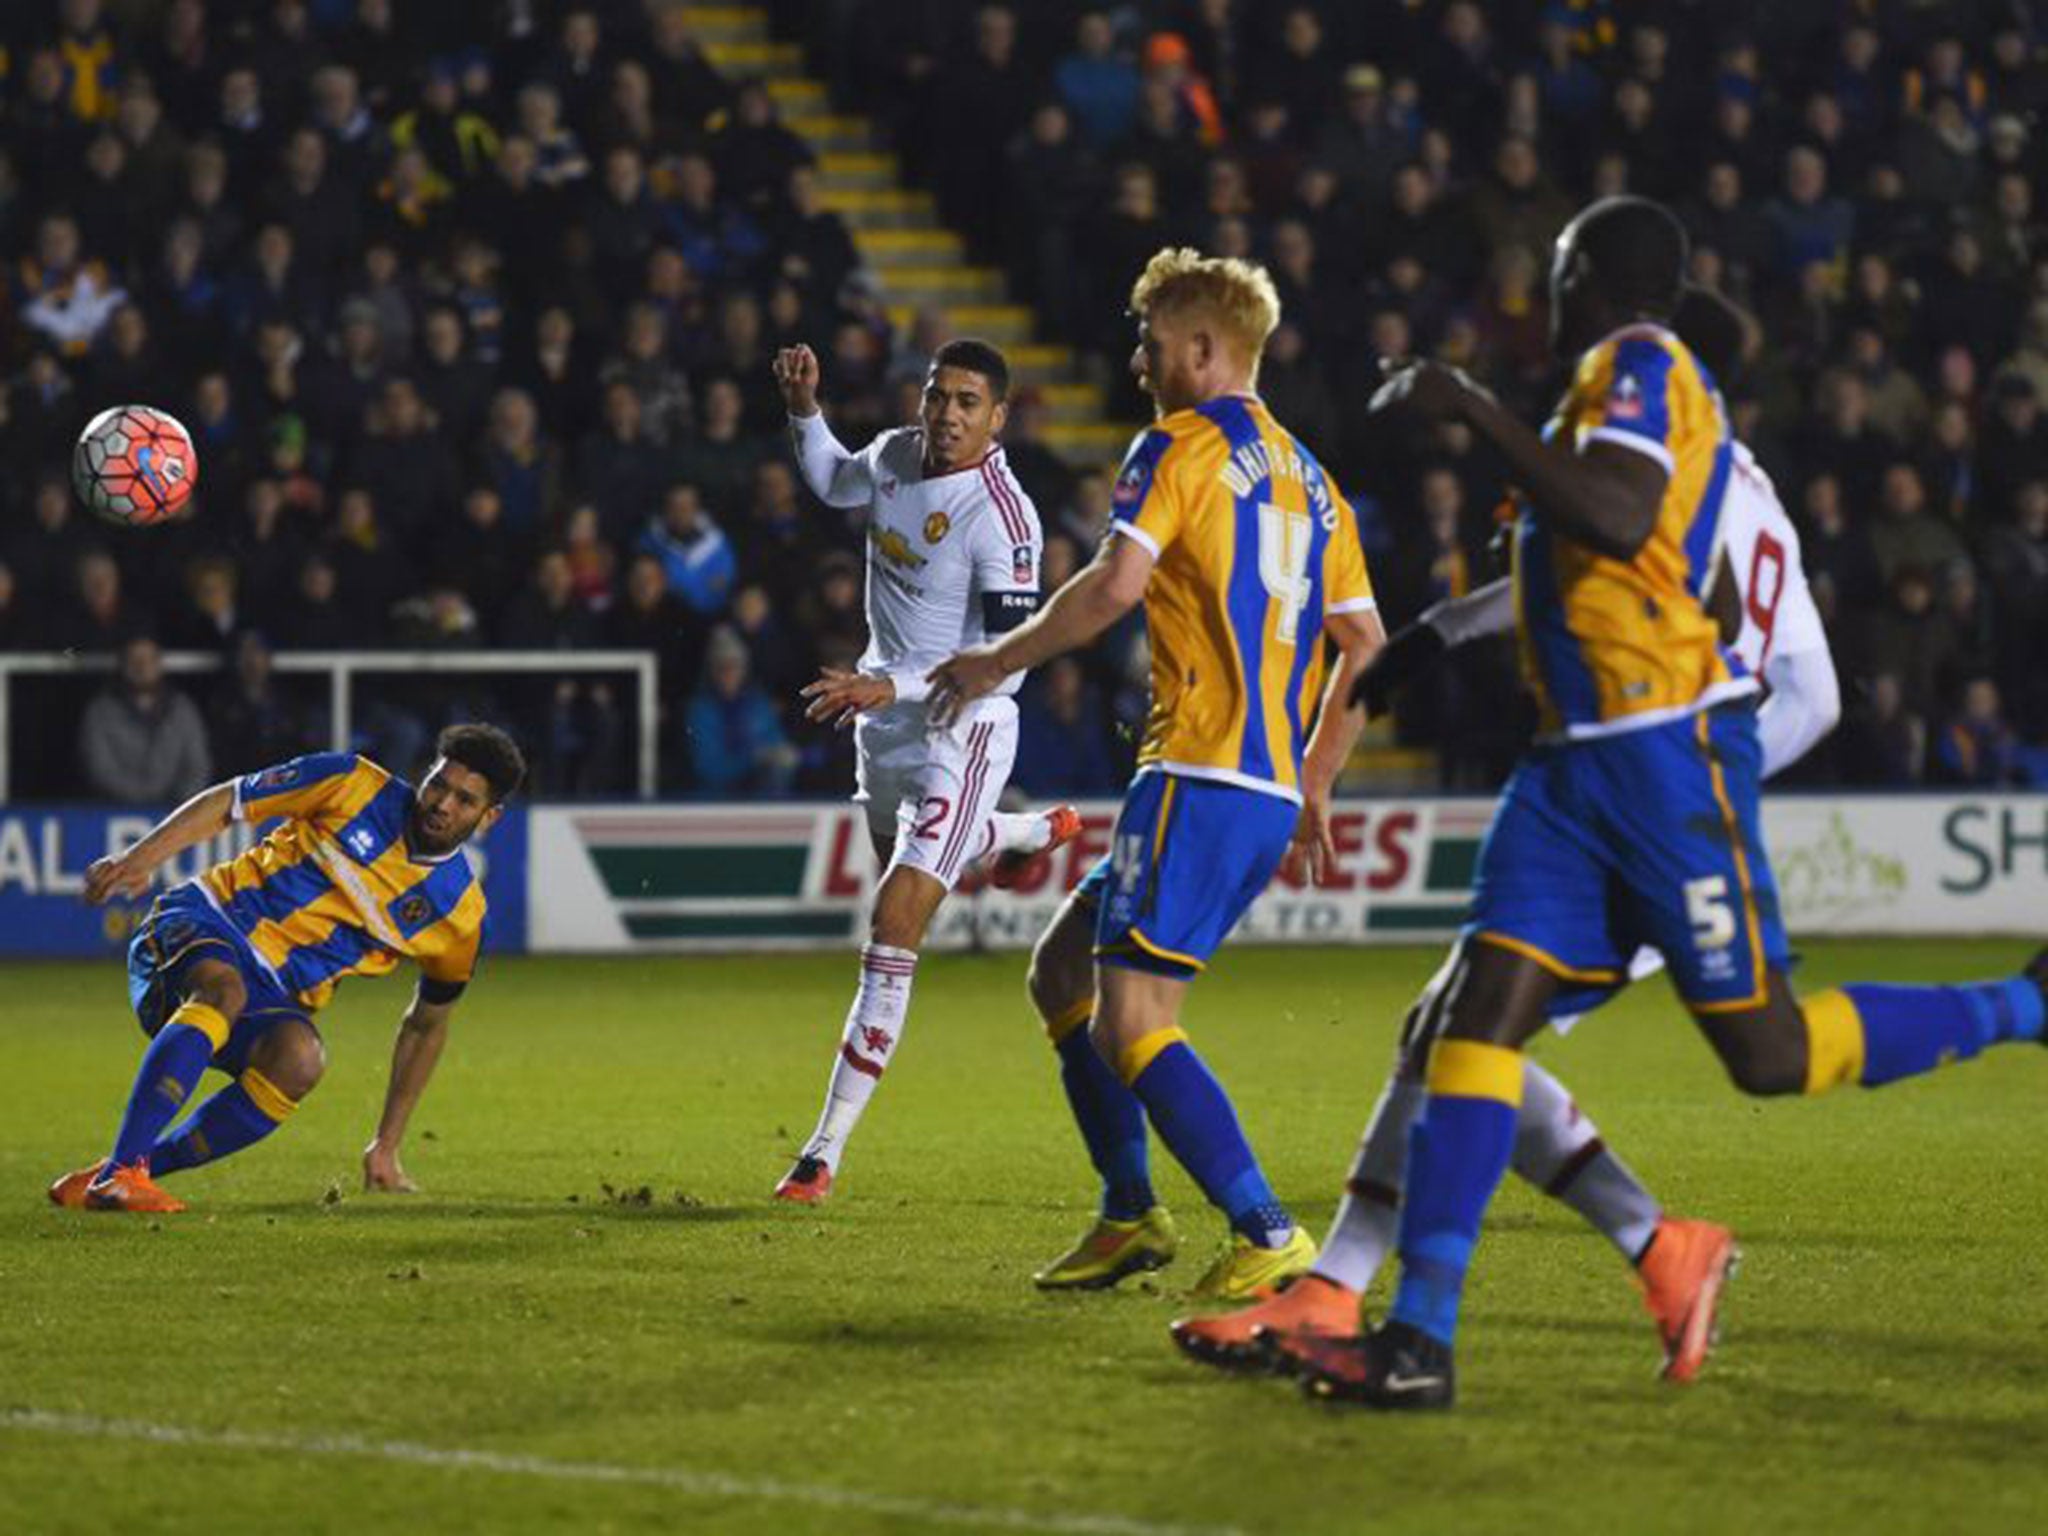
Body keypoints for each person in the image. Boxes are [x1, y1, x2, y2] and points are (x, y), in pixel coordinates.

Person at [1282, 197, 2045, 1410]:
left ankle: (2022, 1003)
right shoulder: (1600, 395)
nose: (1543, 278)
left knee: (1768, 1053)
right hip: (1570, 763)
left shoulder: (1639, 363)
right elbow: (1572, 561)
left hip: (1661, 759)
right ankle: (1417, 1340)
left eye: (1556, 264)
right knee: (1472, 1025)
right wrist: (1422, 645)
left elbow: (1621, 517)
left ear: (1584, 273)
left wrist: (1465, 403)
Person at [1167, 284, 1844, 1382]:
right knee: (1452, 1029)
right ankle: (1605, 1253)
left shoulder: (1666, 478)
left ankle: (1387, 1301)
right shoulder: (1744, 497)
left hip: (1655, 811)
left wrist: (1691, 797)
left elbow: (1587, 576)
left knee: (1463, 1033)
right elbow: (1809, 695)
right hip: (1663, 800)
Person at [929, 250, 1386, 1300]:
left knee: (1132, 1020)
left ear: (1200, 349)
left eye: (1147, 342)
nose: (1137, 362)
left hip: (1196, 771)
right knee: (1063, 972)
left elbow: (1112, 585)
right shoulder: (1314, 484)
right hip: (1260, 789)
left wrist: (997, 659)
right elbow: (1367, 647)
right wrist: (1315, 778)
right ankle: (1130, 1211)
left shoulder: (1178, 444)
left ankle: (1267, 1230)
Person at [768, 336, 1079, 1203]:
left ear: (999, 418)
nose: (946, 414)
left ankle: (822, 1152)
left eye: (967, 402)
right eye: (938, 396)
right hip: (886, 727)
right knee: (911, 878)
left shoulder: (1006, 519)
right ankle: (1023, 832)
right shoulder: (898, 455)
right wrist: (804, 410)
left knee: (897, 916)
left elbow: (1008, 661)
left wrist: (889, 682)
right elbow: (833, 481)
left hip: (963, 729)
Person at [48, 724, 527, 1213]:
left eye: (464, 801)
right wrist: (139, 858)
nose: (443, 804)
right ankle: (125, 1170)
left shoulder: (459, 915)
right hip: (203, 922)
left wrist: (386, 1143)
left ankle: (119, 1173)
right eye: (438, 785)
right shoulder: (350, 782)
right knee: (223, 991)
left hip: (268, 996)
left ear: (489, 817)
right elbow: (228, 801)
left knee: (301, 1059)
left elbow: (426, 1026)